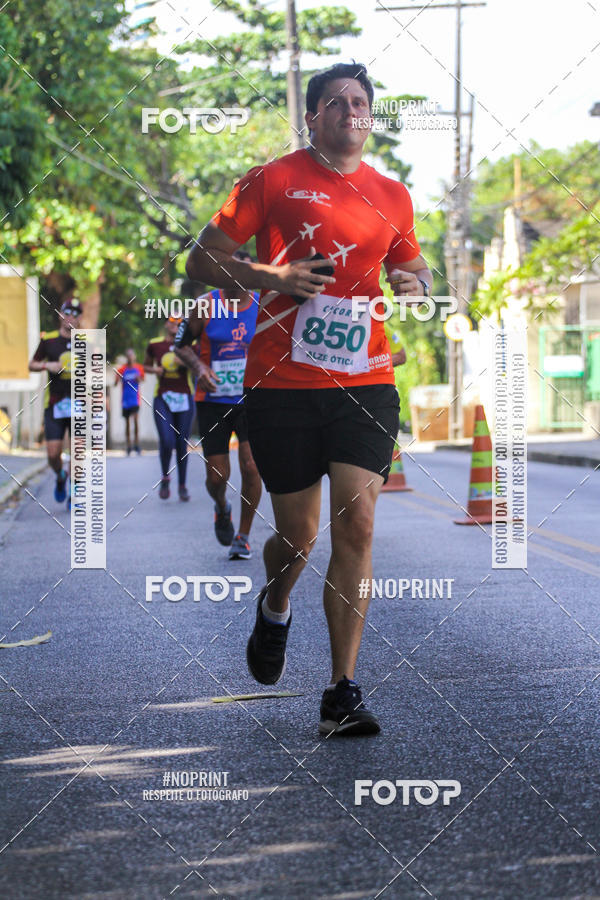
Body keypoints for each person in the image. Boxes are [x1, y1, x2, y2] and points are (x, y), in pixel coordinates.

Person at [185, 62, 432, 736]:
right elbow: (201, 259)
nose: (350, 111)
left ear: (369, 117)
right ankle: (275, 603)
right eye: (335, 102)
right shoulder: (273, 181)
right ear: (313, 116)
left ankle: (341, 692)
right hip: (282, 387)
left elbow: (413, 263)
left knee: (358, 523)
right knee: (298, 537)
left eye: (360, 102)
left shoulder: (392, 193)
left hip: (365, 381)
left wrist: (415, 283)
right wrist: (275, 274)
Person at [174, 253, 262, 559]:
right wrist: (200, 369)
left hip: (252, 397)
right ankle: (222, 507)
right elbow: (180, 346)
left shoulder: (264, 304)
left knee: (251, 466)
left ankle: (244, 536)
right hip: (213, 399)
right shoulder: (205, 305)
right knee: (216, 476)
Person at [28, 298, 83, 508]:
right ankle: (60, 476)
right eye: (67, 312)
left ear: (79, 319)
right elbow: (31, 364)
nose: (71, 317)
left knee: (77, 451)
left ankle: (76, 493)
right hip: (54, 404)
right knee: (52, 454)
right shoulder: (49, 340)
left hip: (79, 404)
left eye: (75, 314)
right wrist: (47, 365)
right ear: (61, 315)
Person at [143, 316, 194, 501]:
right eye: (172, 320)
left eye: (180, 322)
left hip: (185, 397)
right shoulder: (155, 344)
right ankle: (165, 476)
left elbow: (200, 366)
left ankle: (182, 485)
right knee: (167, 440)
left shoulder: (189, 345)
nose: (175, 324)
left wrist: (187, 361)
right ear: (166, 323)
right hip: (162, 397)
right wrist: (154, 370)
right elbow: (146, 366)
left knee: (182, 443)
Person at [115, 348, 144, 454]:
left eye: (131, 355)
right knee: (127, 422)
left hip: (135, 399)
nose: (130, 357)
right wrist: (117, 378)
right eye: (128, 355)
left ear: (134, 356)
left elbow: (142, 380)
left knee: (135, 420)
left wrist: (138, 378)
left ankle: (137, 444)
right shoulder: (122, 369)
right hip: (125, 400)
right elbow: (115, 383)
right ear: (126, 357)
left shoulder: (139, 368)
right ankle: (129, 445)